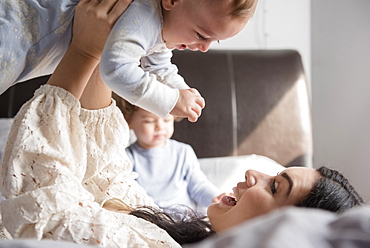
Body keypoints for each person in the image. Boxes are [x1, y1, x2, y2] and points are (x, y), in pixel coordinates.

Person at [0, 1, 364, 247]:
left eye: (274, 188)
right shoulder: (175, 231)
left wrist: (84, 52)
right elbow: (103, 178)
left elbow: (39, 206)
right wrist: (105, 42)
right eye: (274, 174)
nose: (256, 172)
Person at [0, 0, 258, 123]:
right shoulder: (144, 15)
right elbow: (116, 69)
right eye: (202, 35)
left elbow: (159, 64)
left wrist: (180, 89)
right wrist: (170, 101)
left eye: (214, 41)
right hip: (19, 34)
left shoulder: (160, 28)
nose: (203, 48)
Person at [114, 97, 226, 212]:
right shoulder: (126, 157)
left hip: (184, 216)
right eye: (149, 121)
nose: (160, 127)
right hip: (151, 218)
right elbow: (127, 194)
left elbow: (199, 186)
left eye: (166, 120)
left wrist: (215, 198)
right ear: (129, 122)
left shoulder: (183, 152)